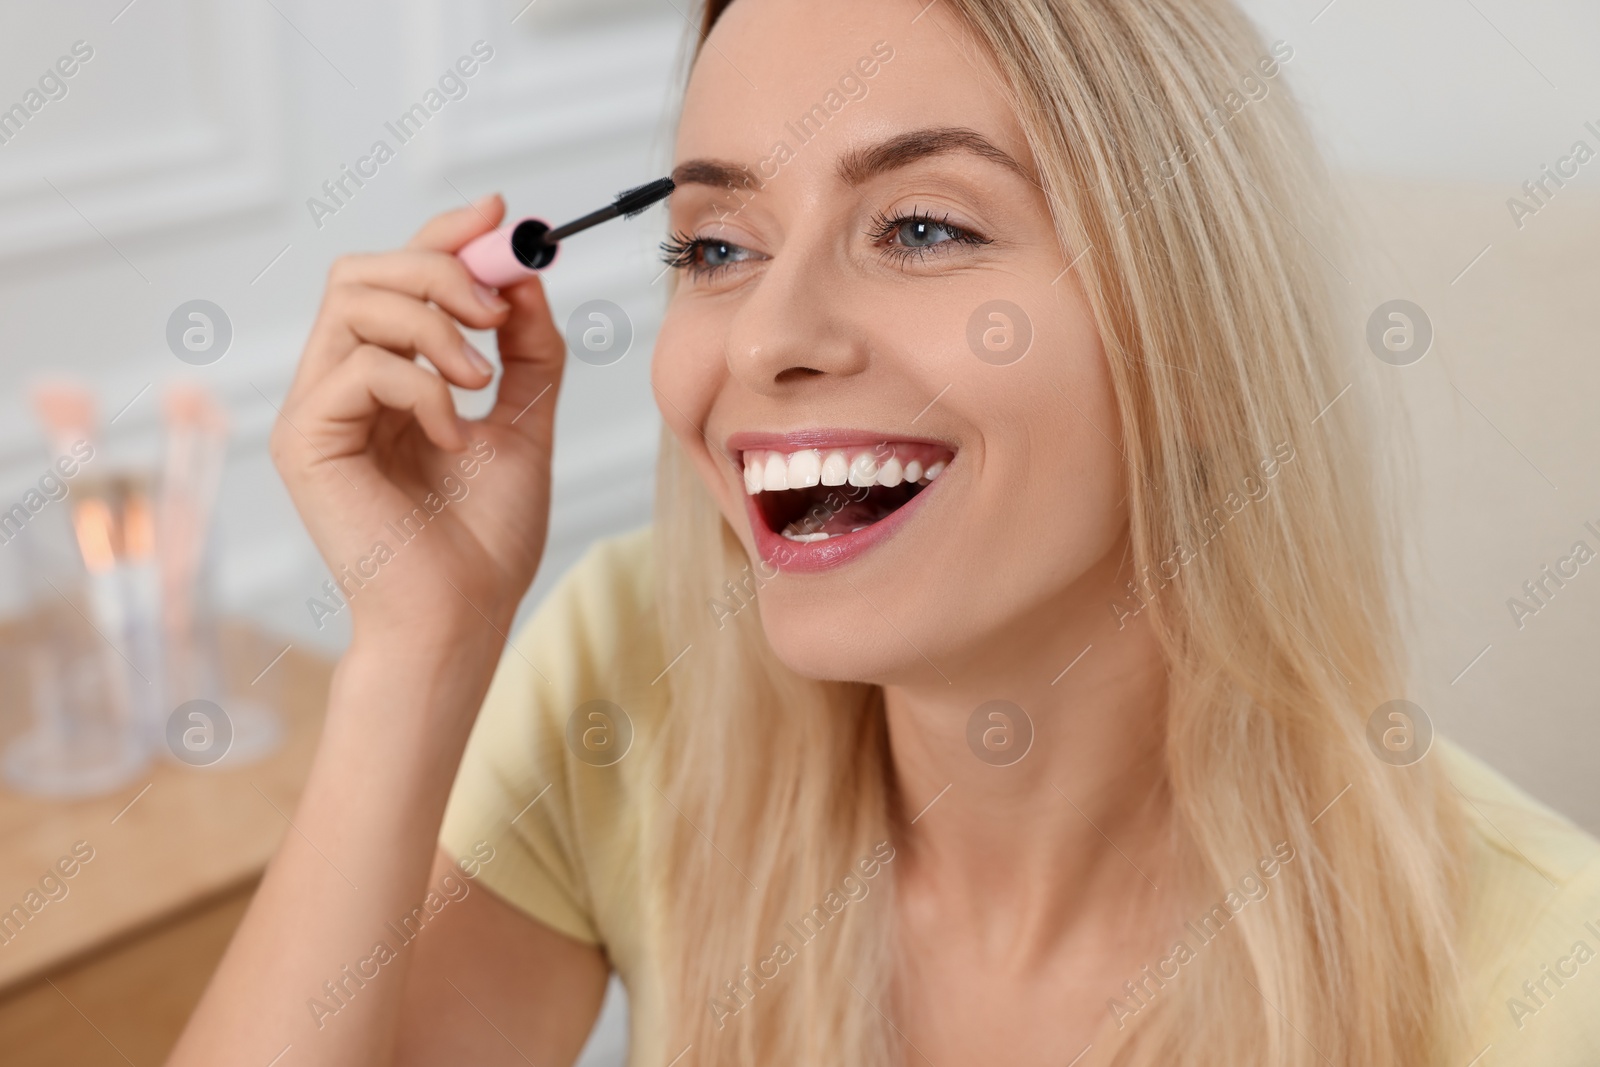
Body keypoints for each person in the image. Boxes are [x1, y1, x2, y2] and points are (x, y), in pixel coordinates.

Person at [169, 0, 1600, 1064]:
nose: (769, 339)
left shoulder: (1542, 981)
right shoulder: (634, 664)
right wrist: (417, 649)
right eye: (718, 248)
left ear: (1199, 340)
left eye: (921, 228)